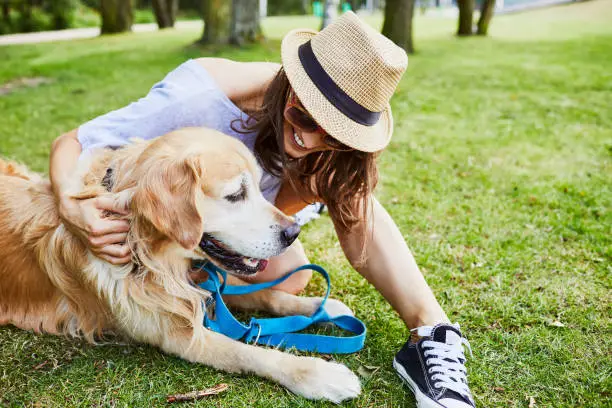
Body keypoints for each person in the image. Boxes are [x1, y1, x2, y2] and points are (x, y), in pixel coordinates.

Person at [49, 11, 475, 408]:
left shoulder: (322, 146)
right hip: (162, 206)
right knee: (265, 272)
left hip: (224, 215)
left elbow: (353, 207)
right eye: (305, 119)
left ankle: (432, 333)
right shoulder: (200, 96)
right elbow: (70, 142)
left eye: (336, 135)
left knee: (296, 272)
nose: (310, 142)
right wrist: (72, 209)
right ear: (289, 82)